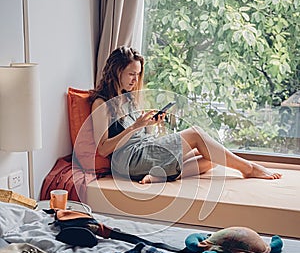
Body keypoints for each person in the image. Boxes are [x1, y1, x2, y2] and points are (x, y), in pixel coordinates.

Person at [90, 46, 282, 184]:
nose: (135, 79)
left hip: (143, 149)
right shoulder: (101, 103)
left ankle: (160, 176)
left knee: (211, 159)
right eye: (131, 73)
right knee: (196, 134)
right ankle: (249, 168)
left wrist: (150, 124)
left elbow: (140, 134)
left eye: (138, 74)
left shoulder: (127, 98)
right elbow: (104, 149)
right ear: (116, 71)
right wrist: (135, 127)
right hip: (128, 160)